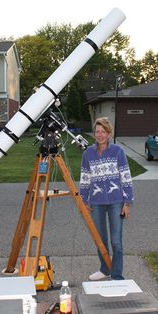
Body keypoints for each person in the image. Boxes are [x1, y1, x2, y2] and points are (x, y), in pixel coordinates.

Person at [79, 117, 134, 280]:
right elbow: (85, 178)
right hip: (96, 203)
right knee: (100, 239)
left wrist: (127, 202)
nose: (100, 134)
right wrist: (84, 200)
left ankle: (116, 275)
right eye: (97, 131)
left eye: (103, 131)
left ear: (109, 133)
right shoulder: (87, 153)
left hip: (116, 202)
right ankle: (105, 269)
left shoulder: (118, 151)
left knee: (116, 241)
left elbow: (126, 176)